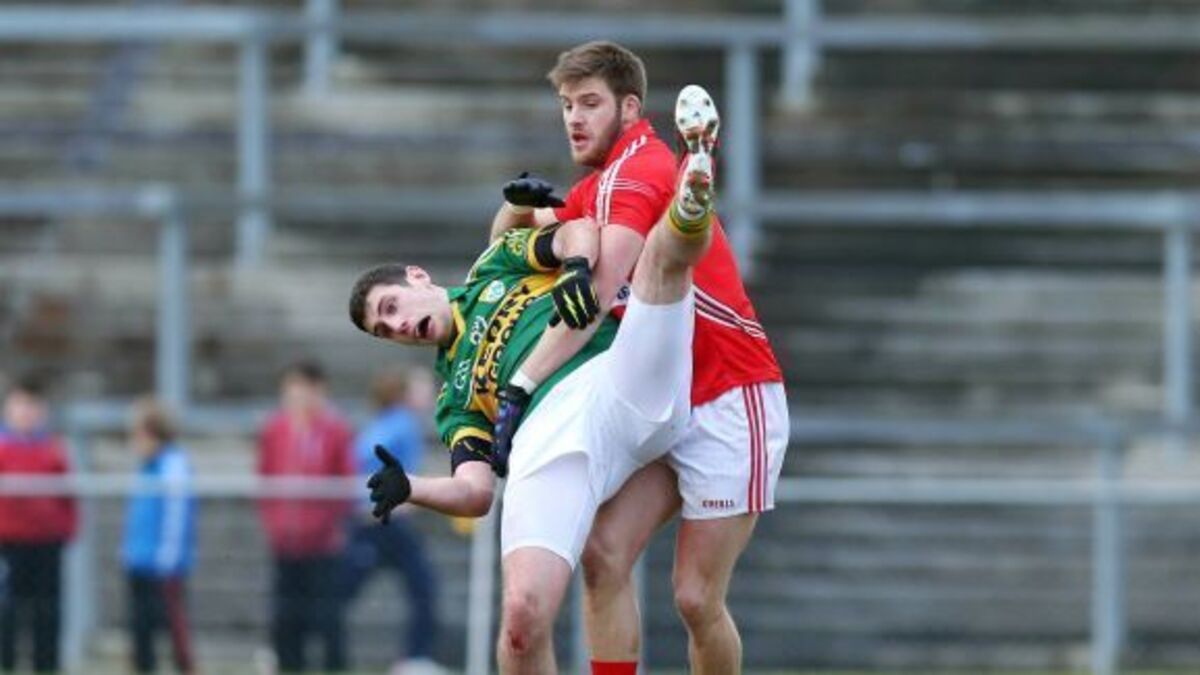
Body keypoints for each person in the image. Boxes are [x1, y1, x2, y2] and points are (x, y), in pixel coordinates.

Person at [348, 89, 719, 672]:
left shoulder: (491, 268)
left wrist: (574, 267)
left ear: (418, 276)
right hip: (552, 436)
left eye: (391, 307)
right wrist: (410, 487)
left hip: (617, 374)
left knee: (649, 256)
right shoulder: (453, 398)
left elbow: (576, 231)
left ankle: (690, 196)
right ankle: (686, 207)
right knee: (521, 621)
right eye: (384, 330)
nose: (396, 326)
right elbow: (475, 491)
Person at [489, 43, 788, 675]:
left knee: (696, 597)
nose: (574, 119)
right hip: (664, 398)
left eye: (589, 104)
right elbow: (501, 249)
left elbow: (595, 297)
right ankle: (694, 191)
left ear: (630, 108)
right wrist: (515, 204)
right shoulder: (597, 187)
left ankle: (695, 191)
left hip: (729, 395)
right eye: (566, 105)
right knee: (603, 555)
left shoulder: (636, 172)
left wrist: (521, 386)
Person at [341, 366, 444, 675]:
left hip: (368, 520)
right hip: (383, 521)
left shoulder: (381, 424)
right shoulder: (404, 425)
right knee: (424, 588)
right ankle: (414, 659)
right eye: (422, 388)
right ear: (405, 394)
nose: (431, 394)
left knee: (343, 589)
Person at [257, 360, 355, 673]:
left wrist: (330, 524)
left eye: (301, 387)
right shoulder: (275, 430)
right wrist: (274, 523)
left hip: (323, 544)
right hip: (286, 541)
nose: (295, 395)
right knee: (286, 616)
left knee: (327, 615)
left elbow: (345, 480)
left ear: (317, 390)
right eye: (290, 387)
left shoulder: (335, 431)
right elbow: (265, 477)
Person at [0, 375, 76, 674]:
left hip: (45, 542)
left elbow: (68, 496)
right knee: (7, 607)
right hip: (8, 543)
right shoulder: (3, 447)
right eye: (21, 405)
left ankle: (46, 665)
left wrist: (66, 529)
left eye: (32, 406)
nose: (26, 412)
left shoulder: (52, 449)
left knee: (46, 609)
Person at [122, 397, 197, 675]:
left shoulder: (173, 466)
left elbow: (176, 517)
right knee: (140, 628)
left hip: (164, 564)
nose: (134, 442)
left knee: (173, 626)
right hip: (139, 559)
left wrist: (168, 556)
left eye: (138, 434)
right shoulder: (146, 467)